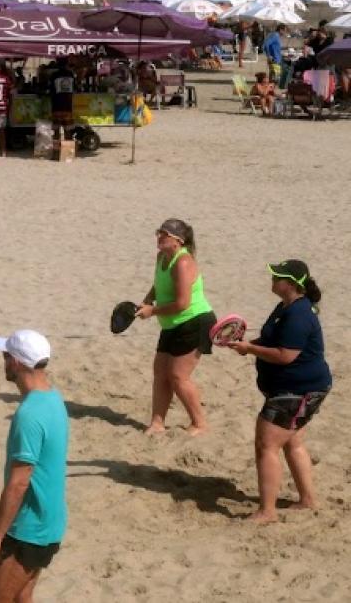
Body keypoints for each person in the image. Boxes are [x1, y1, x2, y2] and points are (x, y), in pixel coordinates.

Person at [226, 260, 332, 523]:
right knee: (292, 441)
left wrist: (249, 350)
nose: (272, 279)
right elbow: (273, 340)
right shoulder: (286, 306)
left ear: (293, 284)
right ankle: (307, 500)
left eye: (278, 276)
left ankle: (267, 511)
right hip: (298, 388)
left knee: (266, 444)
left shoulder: (299, 315)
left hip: (298, 391)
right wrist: (247, 344)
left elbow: (286, 355)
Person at [0, 330, 68, 602]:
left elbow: (18, 484)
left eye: (5, 355)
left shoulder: (29, 414)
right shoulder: (53, 397)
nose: (3, 361)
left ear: (16, 362)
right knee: (21, 598)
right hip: (50, 523)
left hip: (29, 530)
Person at [135, 219, 215, 436]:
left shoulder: (184, 263)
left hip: (195, 321)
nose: (159, 237)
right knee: (160, 372)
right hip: (172, 323)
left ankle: (199, 423)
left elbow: (182, 303)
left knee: (178, 376)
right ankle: (157, 423)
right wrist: (148, 300)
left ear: (178, 241)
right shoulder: (162, 256)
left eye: (164, 234)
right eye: (158, 233)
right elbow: (158, 284)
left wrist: (153, 312)